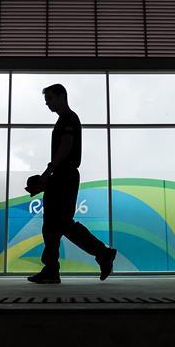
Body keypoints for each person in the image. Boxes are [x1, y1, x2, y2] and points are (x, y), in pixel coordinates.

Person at [27, 83, 117, 284]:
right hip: (60, 177)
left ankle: (102, 253)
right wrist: (47, 180)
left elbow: (66, 146)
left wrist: (48, 172)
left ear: (61, 96)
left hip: (64, 177)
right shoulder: (63, 120)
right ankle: (52, 269)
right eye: (46, 100)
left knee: (61, 223)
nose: (47, 103)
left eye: (50, 98)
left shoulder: (69, 119)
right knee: (52, 225)